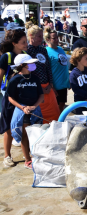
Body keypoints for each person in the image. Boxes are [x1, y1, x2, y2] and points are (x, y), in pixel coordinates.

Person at [7, 54, 44, 169]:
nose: (33, 65)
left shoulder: (35, 78)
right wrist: (23, 108)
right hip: (22, 110)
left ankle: (36, 156)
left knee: (37, 134)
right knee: (25, 135)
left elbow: (41, 95)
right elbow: (10, 98)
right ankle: (27, 160)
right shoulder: (14, 80)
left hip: (34, 109)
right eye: (30, 63)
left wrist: (35, 106)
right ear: (22, 66)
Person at [0, 29, 28, 167]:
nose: (26, 44)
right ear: (14, 43)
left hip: (23, 96)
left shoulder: (26, 56)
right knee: (8, 129)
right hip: (9, 97)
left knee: (23, 126)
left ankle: (26, 153)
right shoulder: (6, 57)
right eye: (23, 42)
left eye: (26, 41)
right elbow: (0, 76)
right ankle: (7, 156)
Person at [26, 25, 60, 123]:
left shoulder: (43, 49)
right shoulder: (27, 51)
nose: (42, 39)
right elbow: (27, 72)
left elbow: (48, 67)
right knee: (40, 117)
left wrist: (50, 84)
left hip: (47, 87)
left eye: (42, 36)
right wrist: (38, 88)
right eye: (39, 36)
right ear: (31, 36)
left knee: (55, 113)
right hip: (35, 88)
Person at [44, 27, 70, 113]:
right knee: (54, 108)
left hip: (63, 85)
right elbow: (46, 70)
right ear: (48, 39)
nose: (56, 39)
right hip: (55, 85)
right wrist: (52, 87)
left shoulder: (60, 49)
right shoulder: (46, 51)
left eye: (57, 37)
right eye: (54, 38)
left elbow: (64, 66)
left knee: (62, 106)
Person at [69, 47, 87, 115]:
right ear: (78, 59)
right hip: (80, 104)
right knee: (82, 124)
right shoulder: (73, 74)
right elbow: (76, 89)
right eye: (86, 58)